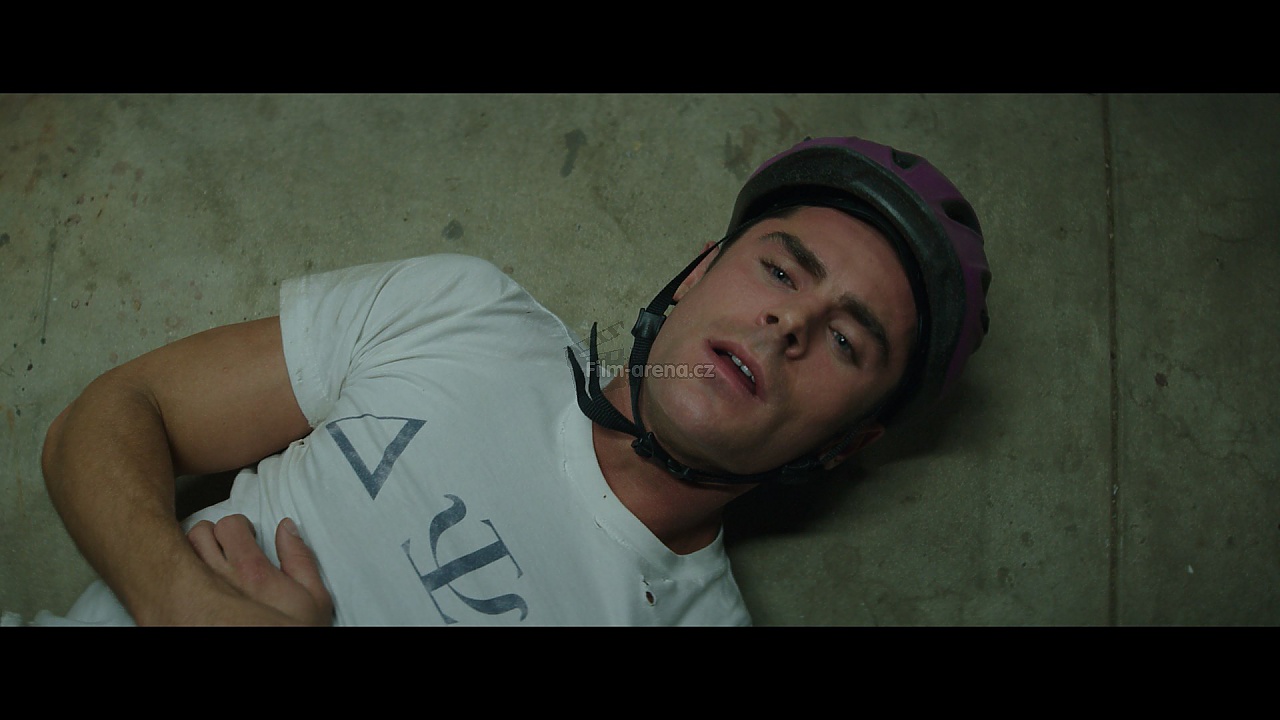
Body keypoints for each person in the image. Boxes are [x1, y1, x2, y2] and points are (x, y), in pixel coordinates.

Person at [35, 136, 992, 626]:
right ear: (699, 273)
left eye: (847, 342)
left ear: (849, 442)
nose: (791, 323)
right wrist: (183, 603)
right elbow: (113, 415)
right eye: (780, 270)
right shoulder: (463, 312)